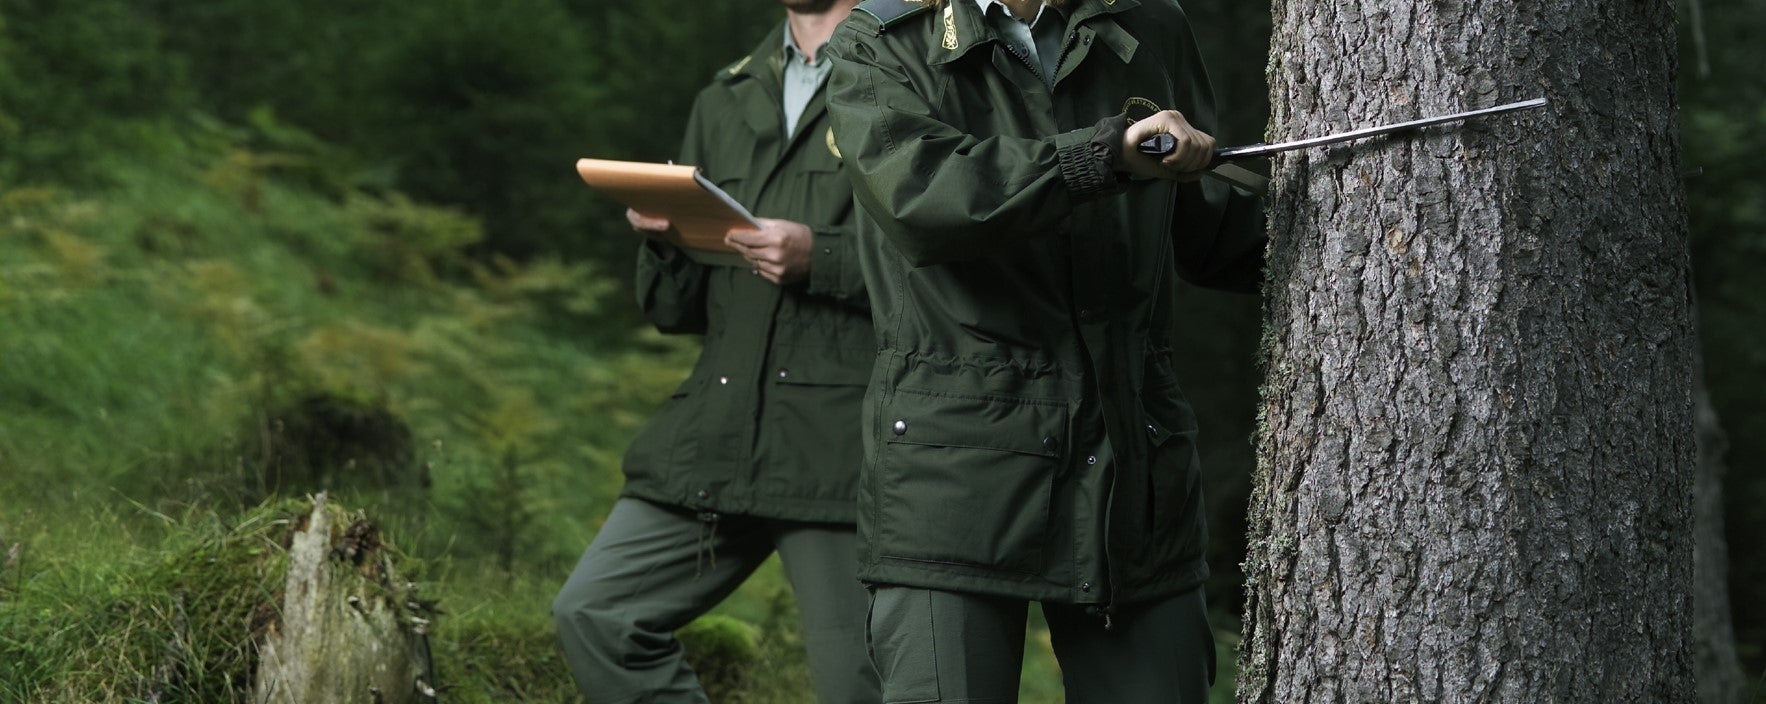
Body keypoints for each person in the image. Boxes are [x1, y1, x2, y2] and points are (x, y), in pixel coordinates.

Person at [822, 0, 1266, 701]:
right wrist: (1106, 155)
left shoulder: (1151, 25)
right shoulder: (879, 41)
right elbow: (925, 200)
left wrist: (1373, 219)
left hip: (1134, 476)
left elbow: (1212, 227)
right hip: (954, 481)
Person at [551, 1, 880, 701]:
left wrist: (822, 259)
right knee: (596, 614)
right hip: (718, 432)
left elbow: (954, 264)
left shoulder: (908, 76)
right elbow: (676, 310)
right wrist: (666, 239)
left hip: (838, 449)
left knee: (862, 689)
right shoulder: (725, 95)